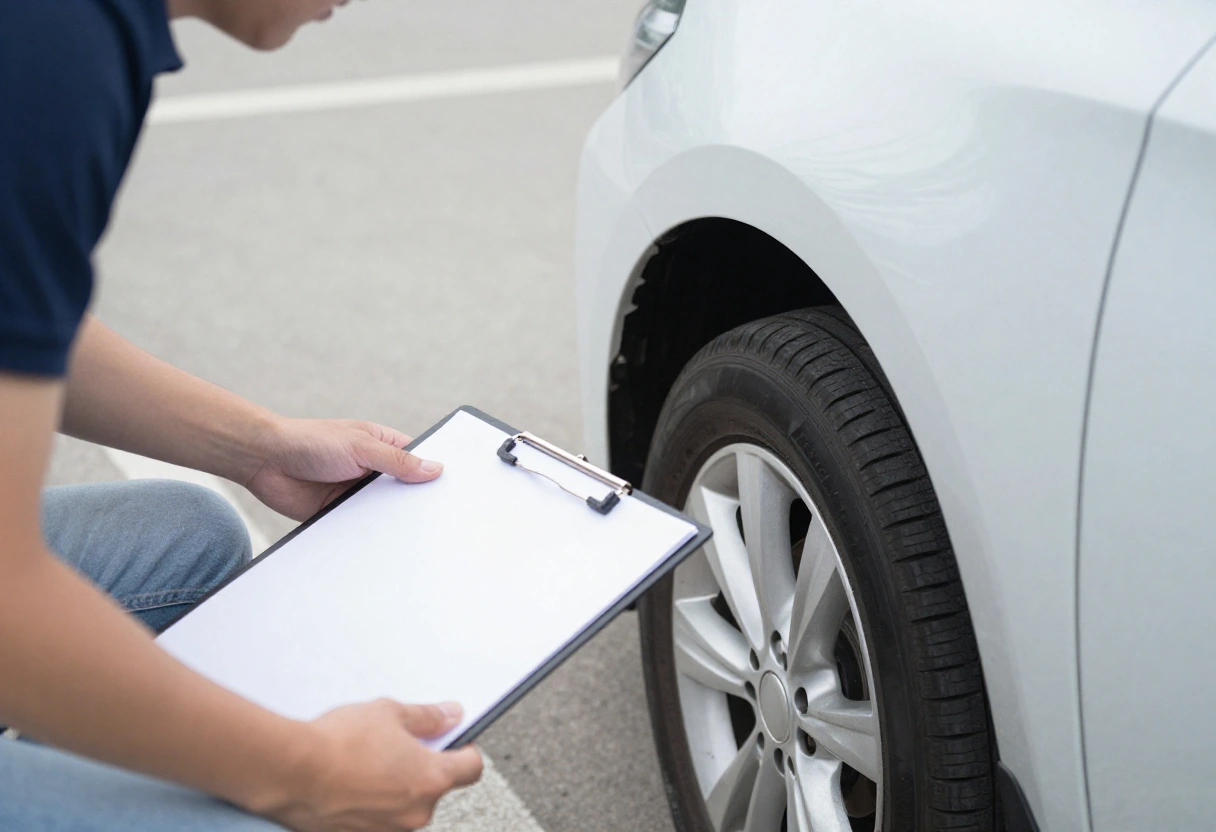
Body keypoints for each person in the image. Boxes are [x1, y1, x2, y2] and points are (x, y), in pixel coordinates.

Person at [0, 1, 483, 830]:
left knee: (188, 536)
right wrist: (310, 774)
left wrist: (261, 447)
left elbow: (20, 317)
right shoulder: (52, 57)